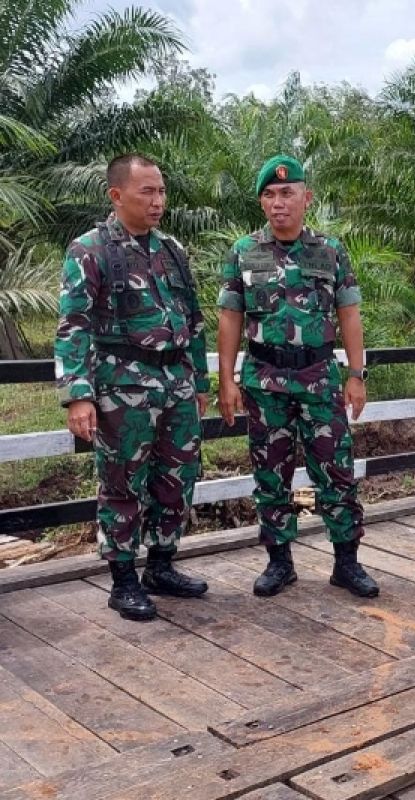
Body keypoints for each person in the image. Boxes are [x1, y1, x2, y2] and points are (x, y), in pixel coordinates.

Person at [55, 153, 210, 621]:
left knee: (177, 478)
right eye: (147, 191)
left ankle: (160, 566)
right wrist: (79, 394)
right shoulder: (90, 250)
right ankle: (123, 580)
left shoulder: (171, 250)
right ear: (116, 195)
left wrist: (199, 380)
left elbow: (194, 320)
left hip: (176, 382)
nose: (158, 200)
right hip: (122, 385)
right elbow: (73, 326)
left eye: (161, 191)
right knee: (122, 484)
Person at [215, 155, 378, 599]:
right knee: (271, 473)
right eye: (269, 195)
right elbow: (230, 317)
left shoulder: (330, 250)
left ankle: (347, 562)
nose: (277, 202)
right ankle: (279, 563)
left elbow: (350, 312)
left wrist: (356, 374)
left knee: (335, 470)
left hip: (319, 376)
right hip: (264, 379)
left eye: (287, 193)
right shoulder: (243, 251)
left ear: (307, 197)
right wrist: (226, 379)